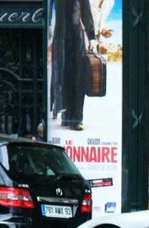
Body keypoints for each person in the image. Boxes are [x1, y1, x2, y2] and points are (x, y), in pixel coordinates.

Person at [50, 0, 98, 131]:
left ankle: (77, 119)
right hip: (60, 36)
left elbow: (86, 12)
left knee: (78, 78)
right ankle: (66, 115)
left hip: (76, 36)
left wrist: (92, 37)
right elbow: (48, 8)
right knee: (64, 76)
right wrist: (48, 26)